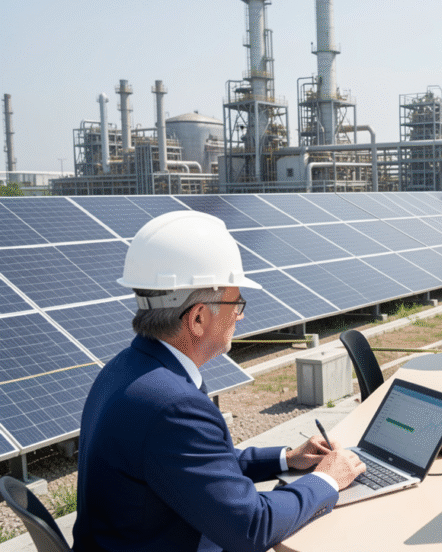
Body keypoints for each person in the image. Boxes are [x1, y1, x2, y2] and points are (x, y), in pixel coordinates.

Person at [74, 211, 366, 552]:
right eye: (236, 303)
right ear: (198, 317)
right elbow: (252, 528)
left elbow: (200, 464)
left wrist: (286, 458)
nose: (241, 315)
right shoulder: (172, 406)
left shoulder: (127, 371)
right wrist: (328, 479)